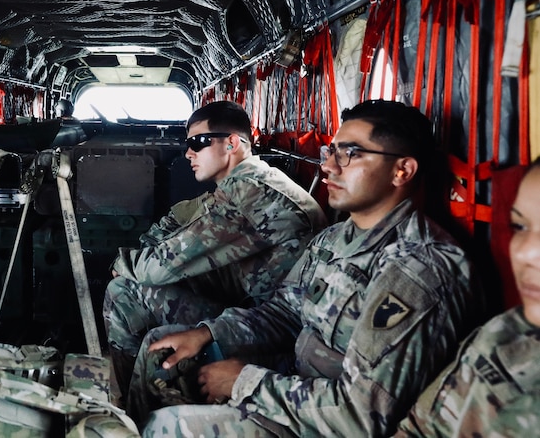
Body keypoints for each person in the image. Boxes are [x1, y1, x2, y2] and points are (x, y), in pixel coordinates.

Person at [131, 99, 478, 436]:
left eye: (350, 154)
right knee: (162, 350)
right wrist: (209, 333)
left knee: (165, 428)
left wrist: (245, 382)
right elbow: (284, 312)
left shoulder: (417, 267)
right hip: (295, 380)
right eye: (332, 151)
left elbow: (361, 416)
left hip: (328, 420)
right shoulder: (335, 239)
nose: (329, 166)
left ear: (402, 170)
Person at [103, 100, 328, 400]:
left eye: (198, 143)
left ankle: (128, 407)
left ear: (232, 143)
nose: (188, 154)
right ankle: (131, 395)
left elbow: (163, 264)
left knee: (127, 289)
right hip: (260, 309)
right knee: (127, 289)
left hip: (273, 326)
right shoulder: (251, 182)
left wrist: (123, 262)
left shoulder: (252, 194)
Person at [394, 159, 540, 437]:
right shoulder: (507, 332)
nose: (524, 254)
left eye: (351, 153)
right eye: (519, 227)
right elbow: (420, 429)